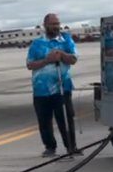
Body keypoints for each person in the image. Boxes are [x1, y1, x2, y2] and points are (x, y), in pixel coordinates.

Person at [26, 13, 79, 157]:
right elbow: (30, 64)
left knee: (66, 118)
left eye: (57, 24)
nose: (56, 27)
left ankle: (71, 146)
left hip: (62, 87)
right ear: (45, 25)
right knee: (44, 120)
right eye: (52, 24)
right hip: (41, 89)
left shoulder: (66, 40)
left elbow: (73, 59)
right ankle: (50, 146)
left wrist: (61, 54)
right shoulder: (37, 44)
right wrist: (47, 60)